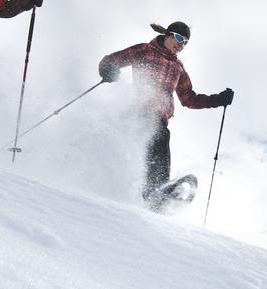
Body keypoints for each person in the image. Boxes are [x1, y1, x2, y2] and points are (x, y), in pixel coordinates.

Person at [98, 22, 233, 209]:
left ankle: (155, 194)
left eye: (185, 42)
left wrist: (217, 100)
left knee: (159, 139)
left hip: (160, 119)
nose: (181, 44)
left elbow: (188, 98)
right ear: (168, 35)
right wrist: (107, 69)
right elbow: (113, 59)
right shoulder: (145, 50)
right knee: (160, 136)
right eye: (178, 38)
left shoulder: (178, 67)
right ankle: (155, 192)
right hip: (138, 112)